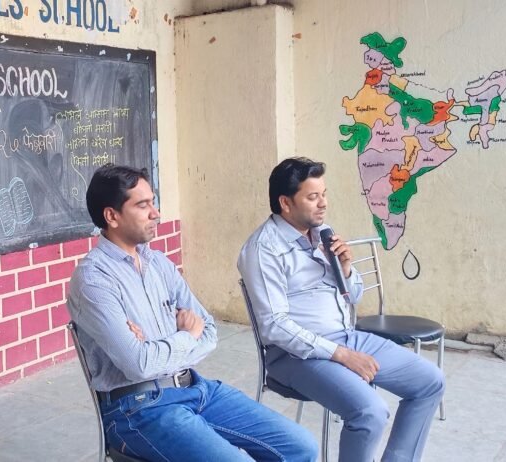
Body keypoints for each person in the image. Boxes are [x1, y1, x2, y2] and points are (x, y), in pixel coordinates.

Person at [68, 163, 319, 462]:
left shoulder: (158, 263)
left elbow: (209, 331)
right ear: (112, 216)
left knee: (301, 445)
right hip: (138, 409)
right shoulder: (94, 279)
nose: (156, 213)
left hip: (194, 387)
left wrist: (156, 346)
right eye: (143, 205)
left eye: (154, 202)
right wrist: (186, 335)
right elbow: (138, 365)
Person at [237, 157, 445, 462]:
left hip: (346, 336)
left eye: (324, 194)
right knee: (370, 411)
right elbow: (274, 326)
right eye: (313, 197)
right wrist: (342, 355)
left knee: (430, 382)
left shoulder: (322, 232)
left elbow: (353, 296)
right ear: (285, 203)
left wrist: (346, 269)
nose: (323, 203)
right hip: (295, 356)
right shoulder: (263, 249)